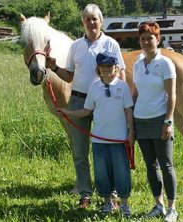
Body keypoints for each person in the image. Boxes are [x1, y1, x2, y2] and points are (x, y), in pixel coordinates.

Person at [46, 4, 126, 208]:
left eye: (94, 19)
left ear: (101, 21)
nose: (91, 23)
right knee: (80, 152)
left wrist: (120, 101)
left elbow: (121, 75)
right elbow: (70, 75)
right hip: (79, 100)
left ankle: (112, 194)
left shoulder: (111, 44)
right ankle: (85, 194)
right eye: (87, 19)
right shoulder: (76, 46)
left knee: (107, 149)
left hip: (105, 103)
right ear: (83, 22)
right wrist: (54, 67)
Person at [58, 52, 134, 217]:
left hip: (119, 140)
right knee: (102, 174)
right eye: (103, 66)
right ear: (98, 69)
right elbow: (86, 111)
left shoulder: (123, 87)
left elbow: (129, 111)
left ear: (116, 68)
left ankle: (124, 204)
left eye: (110, 66)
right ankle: (107, 202)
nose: (106, 69)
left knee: (121, 173)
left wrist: (131, 132)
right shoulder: (94, 88)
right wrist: (67, 112)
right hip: (100, 140)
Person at [132, 22, 178, 222]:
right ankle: (158, 204)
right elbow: (135, 94)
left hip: (160, 120)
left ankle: (171, 208)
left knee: (166, 165)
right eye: (142, 38)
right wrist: (131, 121)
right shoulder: (137, 64)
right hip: (141, 120)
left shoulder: (165, 63)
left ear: (157, 39)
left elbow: (172, 95)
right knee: (151, 166)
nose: (146, 42)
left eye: (150, 38)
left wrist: (168, 120)